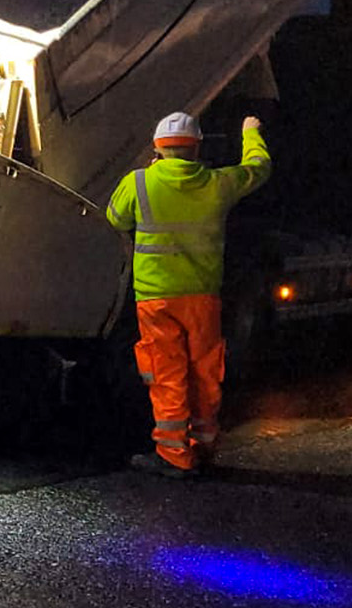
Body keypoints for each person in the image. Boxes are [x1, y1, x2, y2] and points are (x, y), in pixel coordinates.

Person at [106, 111, 272, 476]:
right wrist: (250, 133)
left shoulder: (139, 183)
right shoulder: (218, 184)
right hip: (202, 296)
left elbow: (115, 218)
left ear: (157, 148)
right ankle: (203, 446)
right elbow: (259, 168)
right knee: (204, 371)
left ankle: (173, 456)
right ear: (197, 148)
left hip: (156, 297)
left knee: (166, 372)